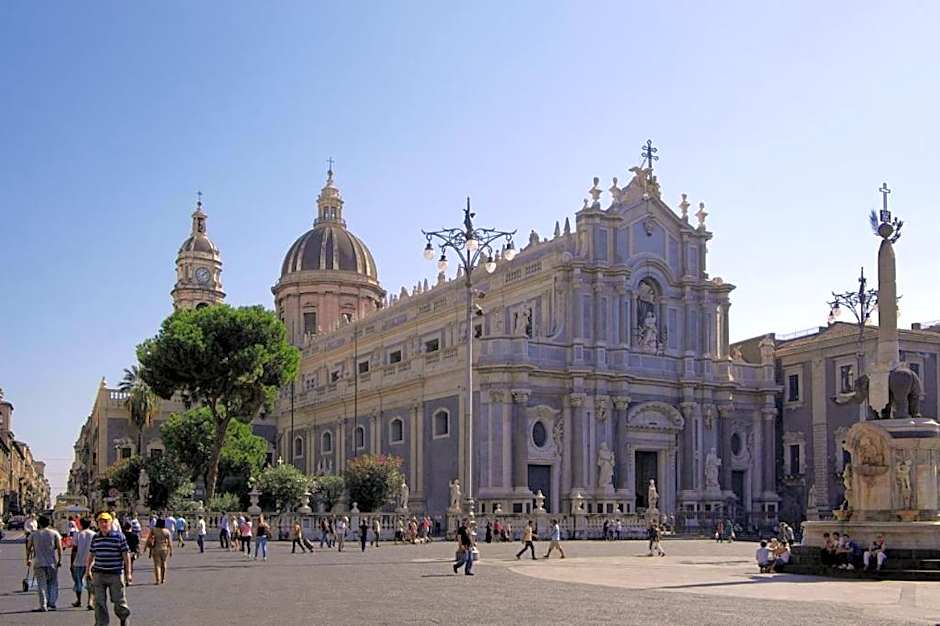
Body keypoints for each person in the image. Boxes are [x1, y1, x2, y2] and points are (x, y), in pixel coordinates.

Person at [87, 512, 131, 626]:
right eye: (101, 522)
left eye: (106, 521)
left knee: (119, 601)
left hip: (115, 574)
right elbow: (92, 554)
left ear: (111, 522)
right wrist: (88, 570)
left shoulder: (119, 537)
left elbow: (126, 556)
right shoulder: (96, 537)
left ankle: (123, 618)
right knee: (99, 602)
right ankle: (101, 623)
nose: (103, 524)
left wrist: (128, 573)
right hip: (99, 574)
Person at [25, 514, 62, 612]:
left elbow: (29, 548)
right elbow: (59, 548)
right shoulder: (54, 533)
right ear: (49, 523)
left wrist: (28, 559)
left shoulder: (34, 534)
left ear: (39, 524)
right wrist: (60, 560)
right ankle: (52, 602)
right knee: (53, 583)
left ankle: (43, 605)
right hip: (52, 563)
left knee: (41, 584)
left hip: (39, 563)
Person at [71, 517, 95, 610]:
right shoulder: (94, 534)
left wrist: (71, 562)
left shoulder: (78, 535)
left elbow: (74, 549)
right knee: (91, 582)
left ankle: (79, 600)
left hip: (78, 561)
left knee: (78, 582)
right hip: (91, 562)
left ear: (80, 524)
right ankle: (90, 601)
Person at [144, 518, 173, 584]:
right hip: (164, 549)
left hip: (156, 548)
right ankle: (163, 579)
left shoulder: (154, 530)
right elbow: (170, 542)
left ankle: (158, 579)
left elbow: (149, 539)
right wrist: (171, 550)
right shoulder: (167, 531)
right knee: (164, 563)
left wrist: (145, 548)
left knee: (157, 565)